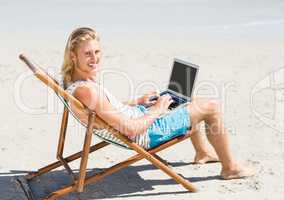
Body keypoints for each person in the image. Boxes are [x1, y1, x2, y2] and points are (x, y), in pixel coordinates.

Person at [61, 27, 254, 180]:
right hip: (147, 132)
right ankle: (230, 168)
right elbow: (130, 130)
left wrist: (138, 102)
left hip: (139, 115)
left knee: (186, 98)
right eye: (88, 54)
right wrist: (156, 109)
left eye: (97, 52)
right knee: (210, 106)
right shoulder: (85, 90)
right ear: (73, 55)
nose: (95, 59)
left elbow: (105, 109)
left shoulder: (76, 81)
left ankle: (202, 152)